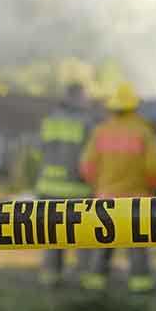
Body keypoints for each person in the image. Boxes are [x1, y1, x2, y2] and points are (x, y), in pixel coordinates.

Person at [78, 81, 156, 294]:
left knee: (102, 244)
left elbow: (87, 166)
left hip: (105, 197)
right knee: (137, 246)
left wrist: (98, 187)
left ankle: (96, 288)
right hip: (137, 199)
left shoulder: (101, 132)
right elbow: (155, 168)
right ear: (134, 107)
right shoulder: (145, 132)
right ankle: (140, 287)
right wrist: (151, 189)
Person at [33, 83, 97, 287]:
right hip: (77, 189)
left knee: (53, 237)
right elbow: (93, 159)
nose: (88, 100)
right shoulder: (87, 124)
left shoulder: (49, 121)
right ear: (76, 98)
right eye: (85, 96)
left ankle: (51, 278)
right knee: (84, 237)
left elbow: (37, 152)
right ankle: (86, 280)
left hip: (49, 188)